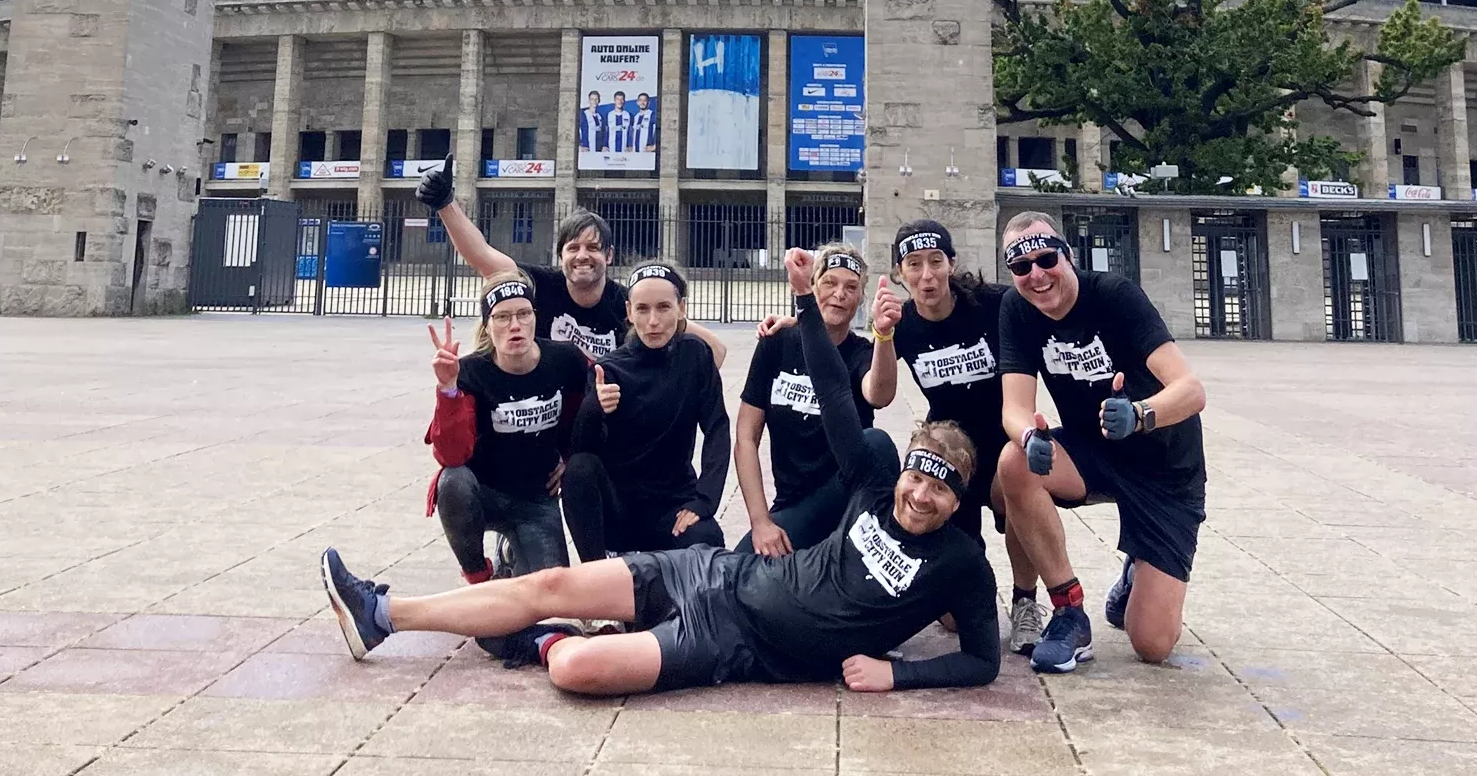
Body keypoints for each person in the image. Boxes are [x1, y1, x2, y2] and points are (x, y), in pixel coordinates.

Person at [320, 247, 999, 697]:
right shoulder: (876, 488)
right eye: (919, 475)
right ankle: (381, 611)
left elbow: (982, 661)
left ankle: (534, 639)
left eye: (939, 487)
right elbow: (834, 396)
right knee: (549, 581)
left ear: (957, 498)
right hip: (713, 575)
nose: (920, 493)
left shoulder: (961, 563)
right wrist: (804, 306)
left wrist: (898, 673)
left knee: (576, 668)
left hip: (733, 642)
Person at [994, 211, 1207, 675]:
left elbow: (1192, 391)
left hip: (1165, 467)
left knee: (1152, 644)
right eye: (1021, 267)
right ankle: (1069, 613)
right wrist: (1029, 435)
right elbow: (1014, 407)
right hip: (1094, 454)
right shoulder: (1016, 309)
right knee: (1013, 463)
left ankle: (1138, 571)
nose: (1036, 275)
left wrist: (1140, 414)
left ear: (1067, 255)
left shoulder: (1114, 296)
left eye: (1046, 258)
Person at [858, 219, 1048, 656]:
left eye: (935, 262)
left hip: (1002, 442)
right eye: (914, 264)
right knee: (953, 622)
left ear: (951, 264)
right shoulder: (900, 323)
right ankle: (966, 582)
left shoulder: (993, 304)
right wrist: (882, 334)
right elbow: (879, 395)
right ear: (900, 273)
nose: (927, 275)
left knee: (1017, 488)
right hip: (953, 456)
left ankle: (1025, 600)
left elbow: (1049, 313)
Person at [415, 156, 726, 366]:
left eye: (593, 247)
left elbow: (717, 350)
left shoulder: (628, 305)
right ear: (560, 255)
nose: (582, 256)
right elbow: (481, 255)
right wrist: (445, 204)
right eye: (573, 247)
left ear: (609, 255)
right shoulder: (538, 285)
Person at [423, 273, 589, 585]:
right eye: (502, 317)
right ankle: (479, 576)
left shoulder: (564, 360)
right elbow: (452, 455)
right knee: (452, 481)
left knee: (551, 593)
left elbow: (586, 417)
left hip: (536, 500)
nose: (515, 325)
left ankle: (513, 552)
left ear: (534, 318)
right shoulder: (471, 371)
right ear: (488, 325)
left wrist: (570, 458)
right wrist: (448, 390)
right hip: (483, 493)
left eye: (524, 314)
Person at [561, 262, 728, 561]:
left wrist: (704, 501)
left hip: (672, 504)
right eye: (642, 309)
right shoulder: (609, 369)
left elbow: (717, 428)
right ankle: (595, 578)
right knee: (579, 468)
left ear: (681, 308)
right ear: (629, 311)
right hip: (619, 508)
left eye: (664, 307)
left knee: (708, 541)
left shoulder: (695, 355)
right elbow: (582, 452)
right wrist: (594, 407)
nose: (653, 321)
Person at [735, 242, 892, 558]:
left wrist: (884, 334)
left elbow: (879, 393)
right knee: (736, 571)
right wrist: (760, 522)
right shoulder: (776, 343)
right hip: (793, 507)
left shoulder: (861, 352)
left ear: (861, 297)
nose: (839, 294)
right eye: (829, 283)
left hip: (845, 501)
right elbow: (745, 436)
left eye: (851, 287)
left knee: (877, 444)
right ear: (813, 285)